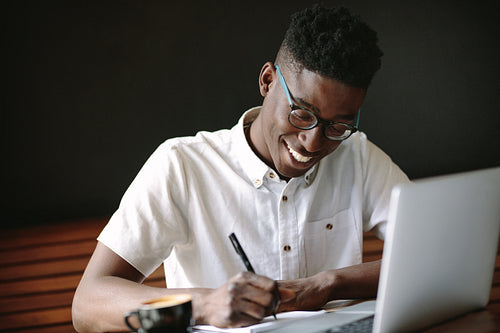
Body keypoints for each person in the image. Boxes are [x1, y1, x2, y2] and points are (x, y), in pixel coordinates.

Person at [72, 5, 409, 332]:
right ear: (267, 81)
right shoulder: (182, 166)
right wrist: (201, 307)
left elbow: (434, 260)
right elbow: (87, 308)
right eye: (302, 114)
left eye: (337, 126)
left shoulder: (356, 156)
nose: (312, 142)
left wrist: (329, 284)